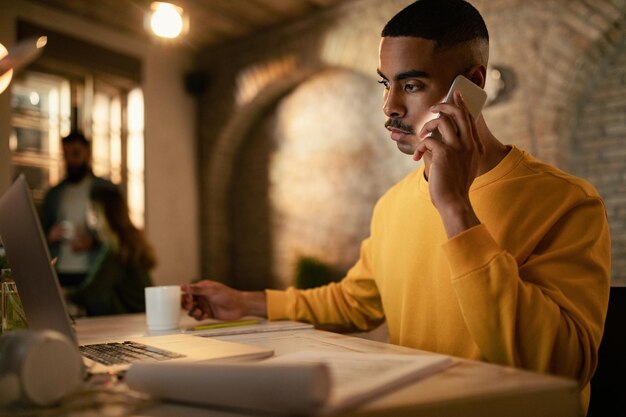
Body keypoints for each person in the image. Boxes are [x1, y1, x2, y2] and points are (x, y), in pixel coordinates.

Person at [181, 0, 611, 413]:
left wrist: (455, 208)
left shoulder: (568, 201)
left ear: (473, 85)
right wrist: (247, 304)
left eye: (412, 84)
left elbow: (559, 367)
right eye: (386, 84)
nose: (389, 107)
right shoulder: (393, 204)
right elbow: (356, 302)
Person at [66, 184, 156, 315]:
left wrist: (60, 294)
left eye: (92, 213)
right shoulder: (130, 242)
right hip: (142, 317)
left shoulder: (117, 248)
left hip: (134, 321)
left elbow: (90, 292)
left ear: (99, 215)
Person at [40, 132, 114, 287]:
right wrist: (50, 236)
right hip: (61, 268)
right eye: (66, 154)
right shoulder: (54, 194)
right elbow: (39, 230)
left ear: (87, 153)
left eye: (76, 153)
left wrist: (93, 241)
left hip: (93, 269)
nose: (71, 160)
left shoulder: (103, 189)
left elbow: (116, 229)